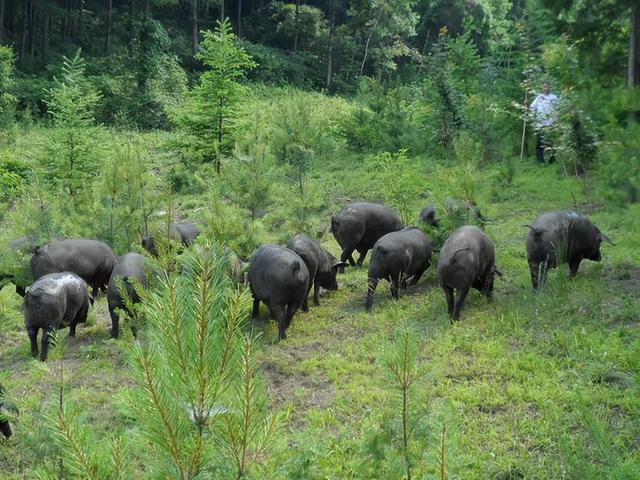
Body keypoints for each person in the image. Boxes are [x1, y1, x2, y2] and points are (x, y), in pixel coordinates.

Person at [530, 82, 559, 164]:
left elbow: (558, 108)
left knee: (550, 143)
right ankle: (540, 161)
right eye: (544, 87)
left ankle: (552, 160)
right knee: (539, 143)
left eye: (547, 86)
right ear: (542, 88)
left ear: (550, 87)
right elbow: (532, 108)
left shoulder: (554, 97)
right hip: (540, 124)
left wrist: (557, 120)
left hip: (550, 123)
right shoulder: (539, 98)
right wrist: (526, 105)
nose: (545, 88)